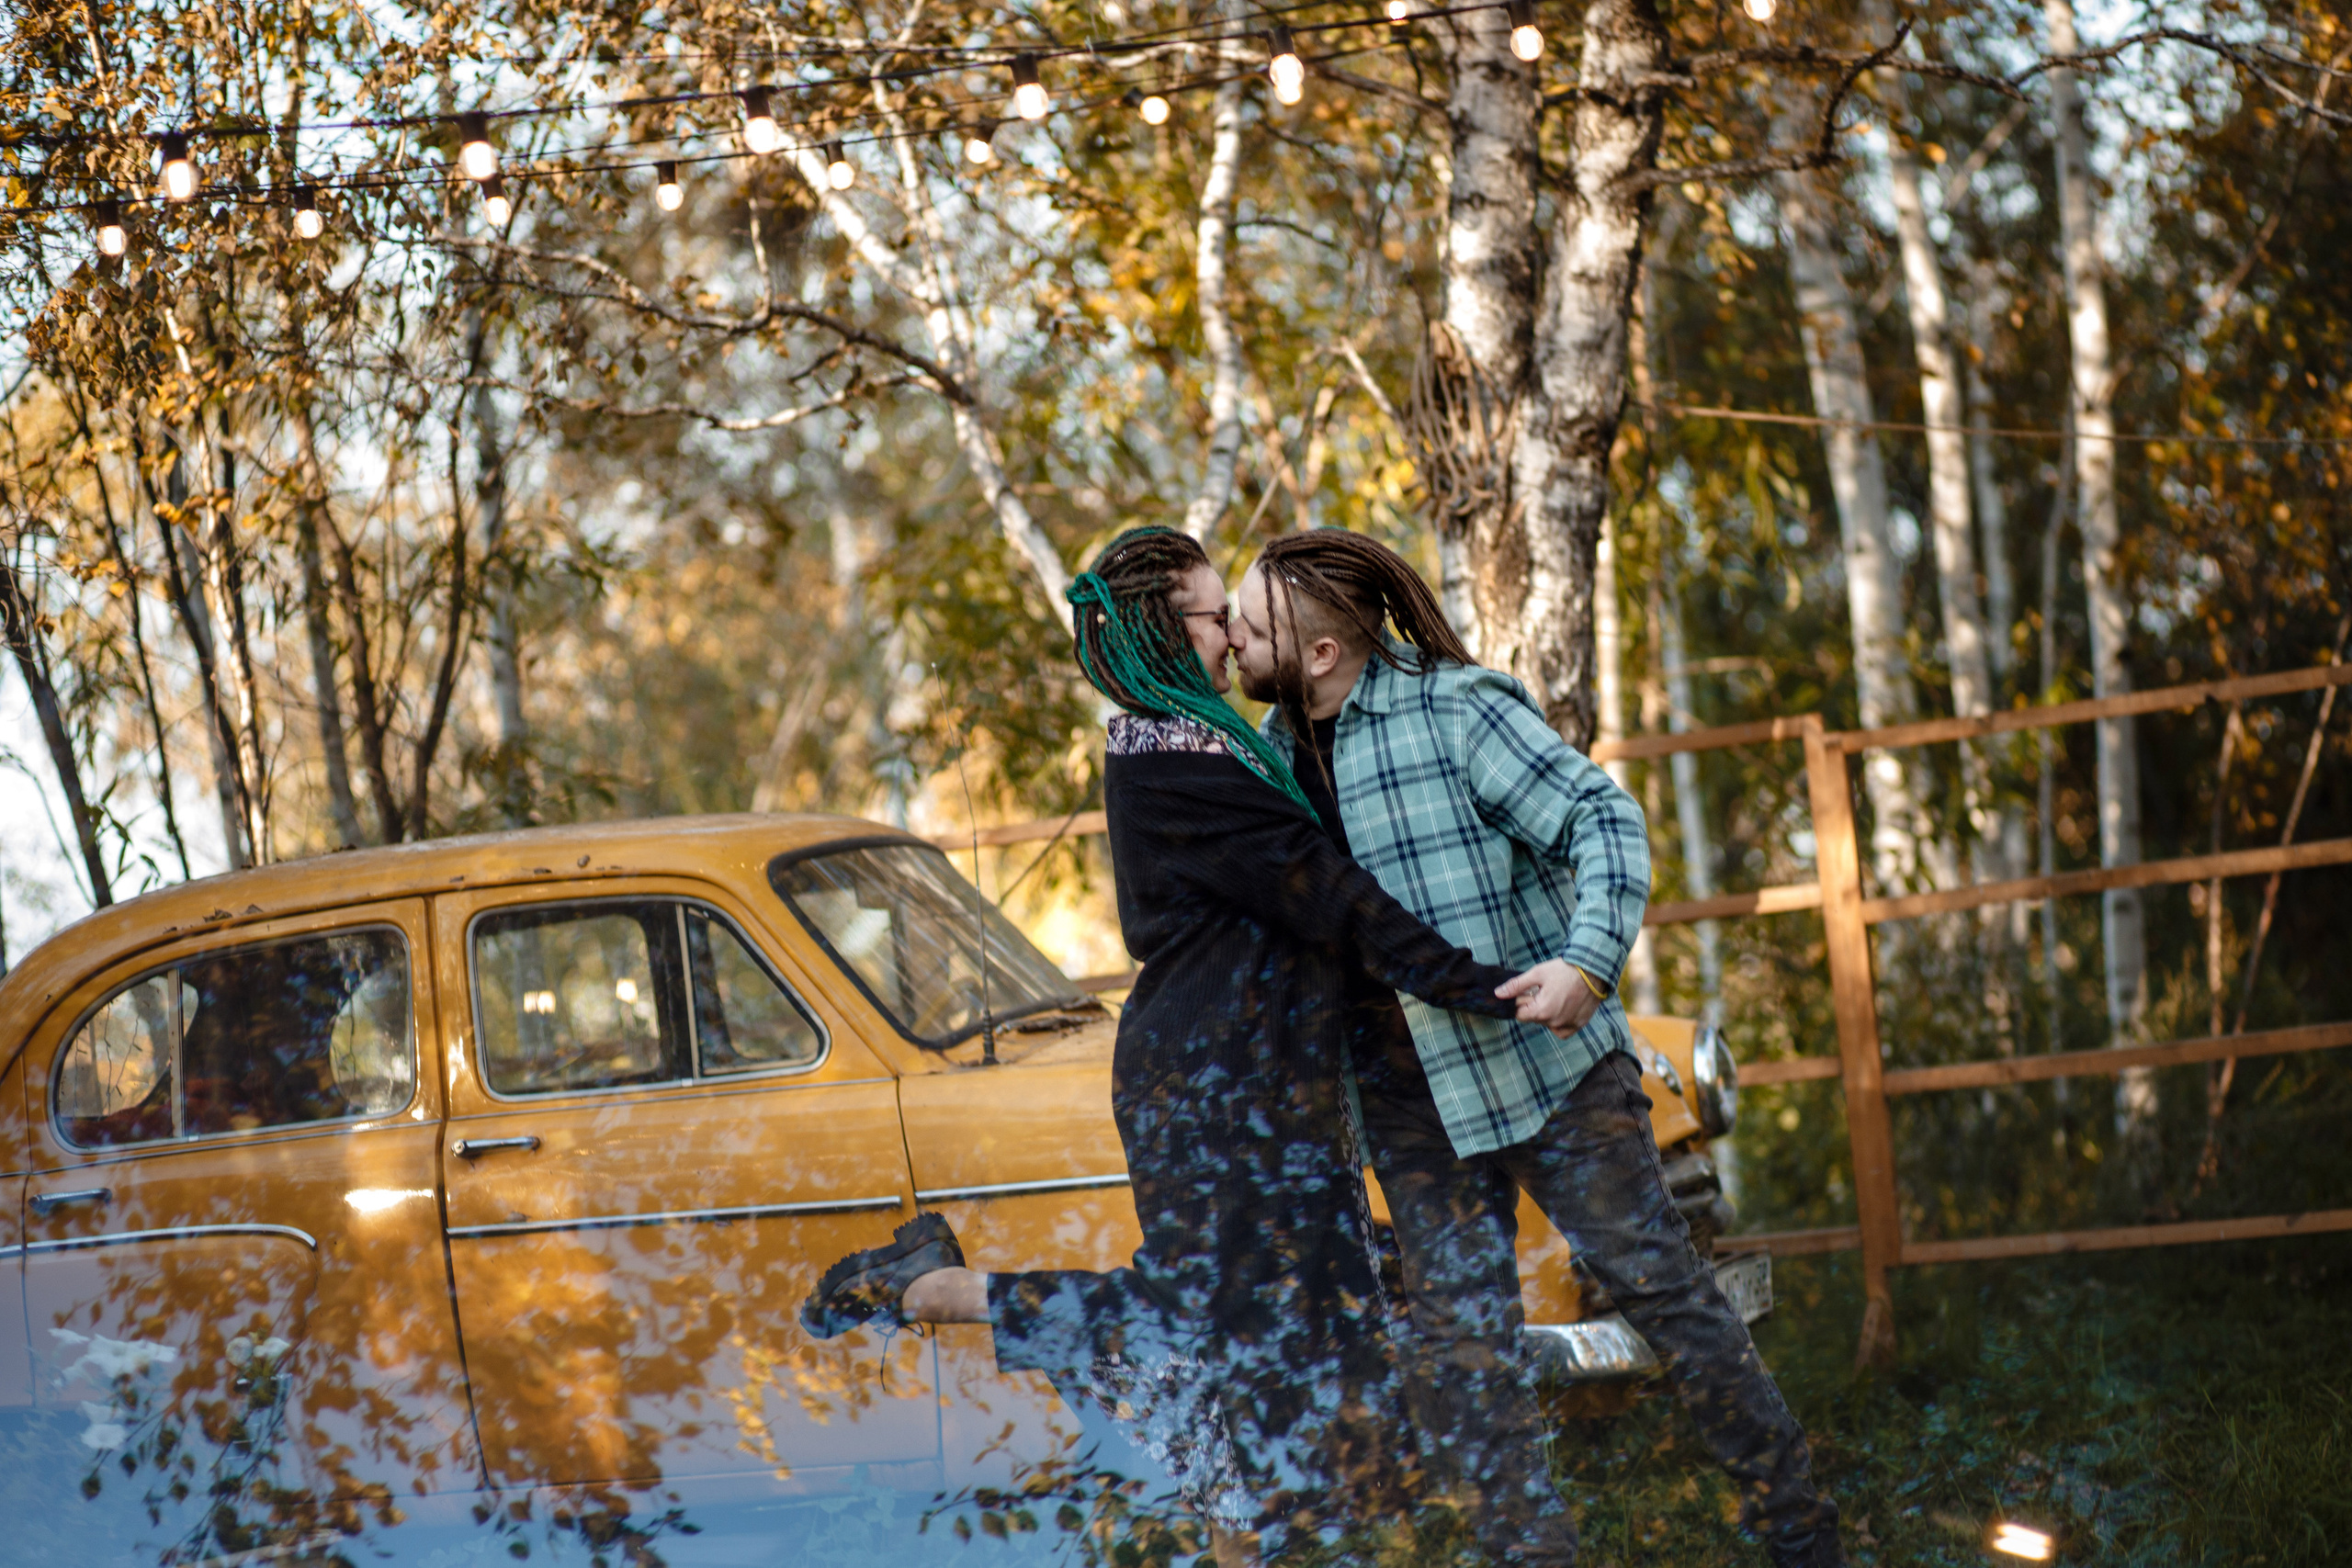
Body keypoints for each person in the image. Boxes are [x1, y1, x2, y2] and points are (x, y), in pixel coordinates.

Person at [800, 525, 1556, 1559]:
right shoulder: (1171, 764)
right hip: (1212, 1098)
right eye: (1217, 618)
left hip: (1260, 1092)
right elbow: (1329, 897)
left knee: (1310, 1335)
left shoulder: (1200, 742)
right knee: (1206, 1327)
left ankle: (1318, 1524)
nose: (1236, 638)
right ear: (1166, 636)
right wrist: (1487, 987)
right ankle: (929, 1290)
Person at [1226, 529, 1844, 1568]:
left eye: (1248, 625)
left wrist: (1588, 962)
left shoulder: (1456, 710)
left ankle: (1800, 1537)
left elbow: (1603, 818)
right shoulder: (1275, 753)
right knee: (1468, 1357)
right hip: (1406, 1104)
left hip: (1545, 1074)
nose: (1234, 640)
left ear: (1320, 653)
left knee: (1667, 1300)